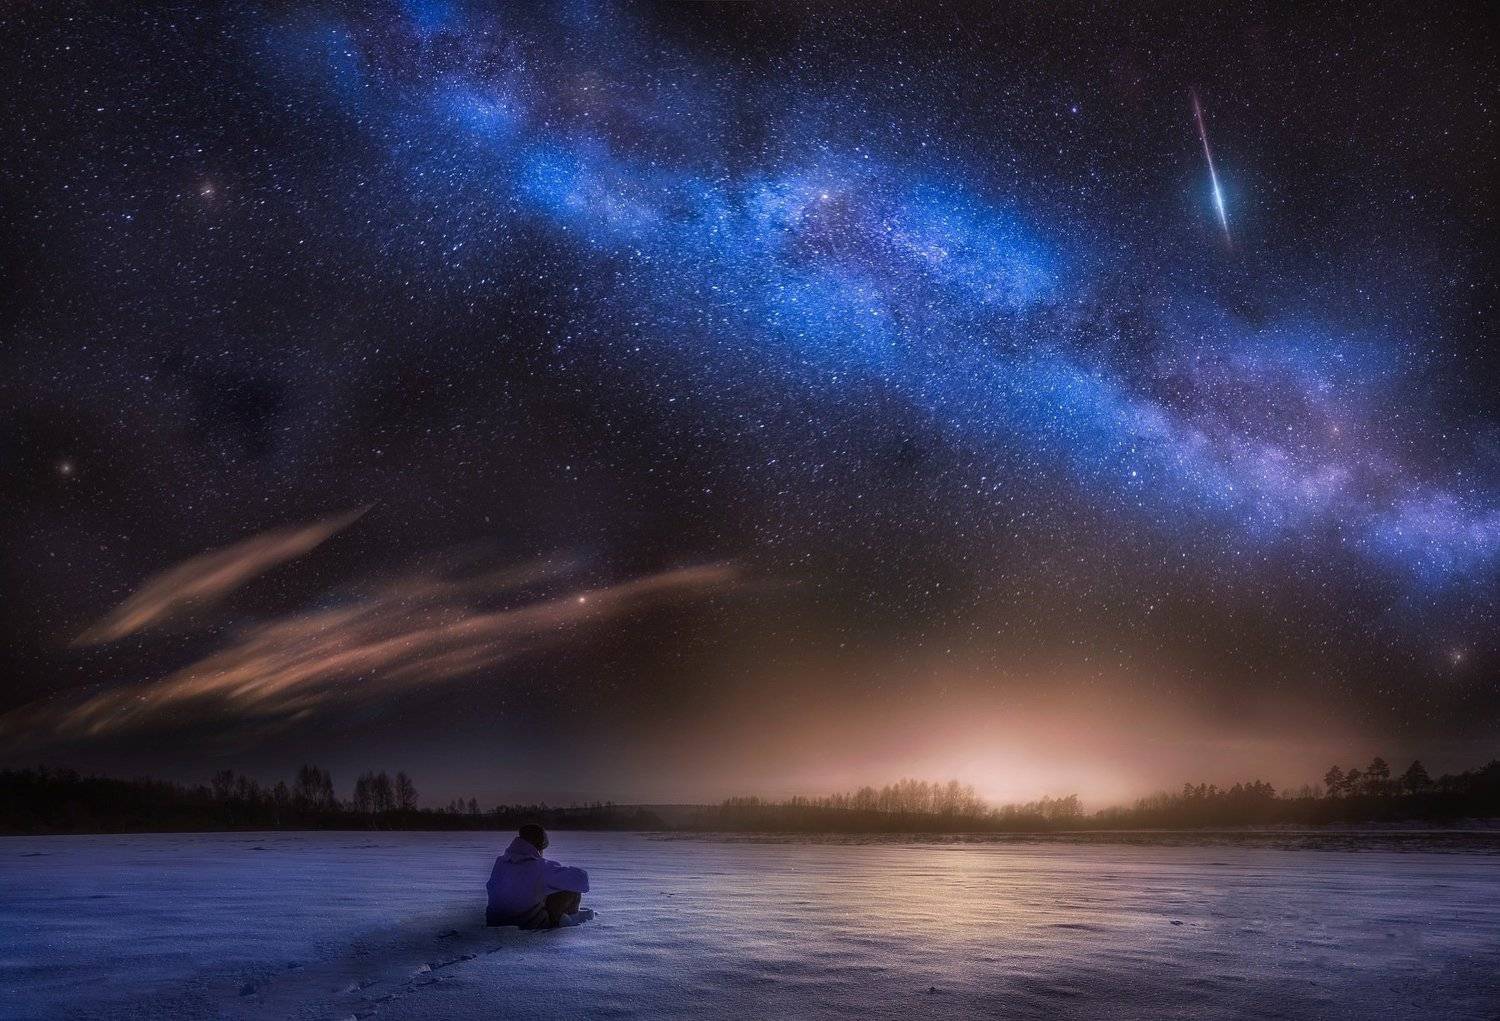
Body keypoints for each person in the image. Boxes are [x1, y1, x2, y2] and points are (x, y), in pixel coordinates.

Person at [485, 824, 592, 929]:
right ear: (540, 846)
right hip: (527, 925)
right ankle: (569, 921)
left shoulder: (500, 862)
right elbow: (581, 880)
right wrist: (560, 871)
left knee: (538, 888)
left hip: (494, 922)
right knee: (571, 889)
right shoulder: (541, 867)